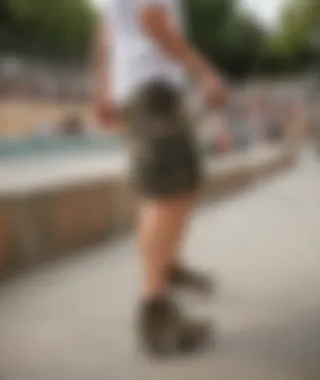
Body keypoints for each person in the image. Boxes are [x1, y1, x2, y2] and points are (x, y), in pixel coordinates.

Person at [92, 0, 226, 355]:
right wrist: (204, 70)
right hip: (152, 88)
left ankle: (168, 267)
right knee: (165, 193)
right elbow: (152, 20)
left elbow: (105, 30)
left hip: (148, 87)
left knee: (182, 184)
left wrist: (104, 88)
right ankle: (155, 311)